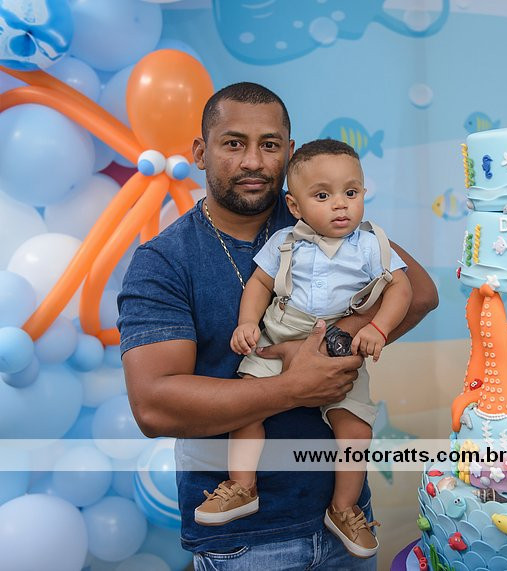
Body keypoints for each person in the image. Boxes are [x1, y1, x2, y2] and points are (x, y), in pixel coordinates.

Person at [117, 82, 438, 570]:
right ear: (200, 153)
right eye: (233, 143)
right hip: (244, 543)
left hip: (344, 526)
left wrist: (331, 340)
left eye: (268, 145)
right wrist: (294, 385)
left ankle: (344, 505)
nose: (252, 161)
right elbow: (154, 405)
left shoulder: (325, 218)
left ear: (289, 153)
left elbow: (420, 293)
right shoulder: (163, 261)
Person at [193, 138, 412, 560]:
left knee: (356, 429)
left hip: (338, 343)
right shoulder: (285, 241)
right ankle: (242, 485)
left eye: (351, 192)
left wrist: (379, 328)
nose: (340, 205)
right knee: (248, 404)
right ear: (294, 206)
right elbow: (260, 284)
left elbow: (401, 288)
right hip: (279, 332)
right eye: (323, 196)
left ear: (364, 193)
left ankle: (344, 508)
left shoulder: (371, 244)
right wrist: (247, 324)